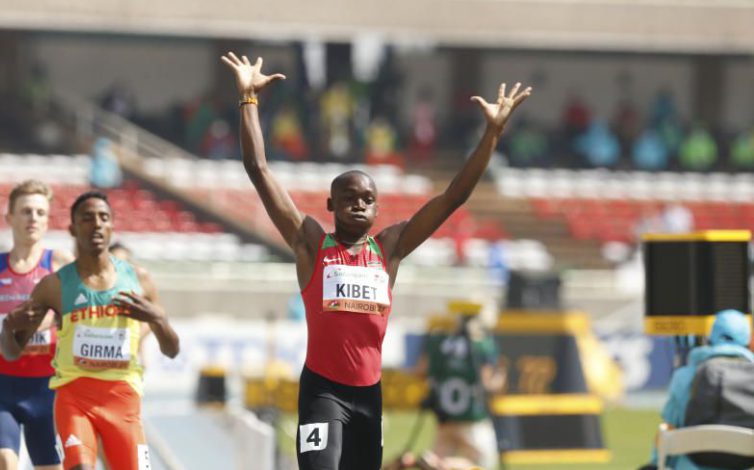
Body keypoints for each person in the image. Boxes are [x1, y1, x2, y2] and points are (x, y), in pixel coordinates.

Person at [221, 52, 531, 470]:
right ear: (331, 204)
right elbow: (258, 169)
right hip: (323, 394)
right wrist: (248, 101)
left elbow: (453, 196)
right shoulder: (311, 243)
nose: (359, 205)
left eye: (368, 199)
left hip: (369, 397)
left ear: (377, 208)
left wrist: (491, 134)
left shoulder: (389, 249)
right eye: (348, 198)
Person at [0, 191, 180, 470]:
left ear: (111, 227)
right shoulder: (54, 285)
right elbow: (12, 352)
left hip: (123, 400)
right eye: (87, 218)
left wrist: (158, 319)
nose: (96, 224)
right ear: (72, 228)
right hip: (75, 399)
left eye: (103, 218)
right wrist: (9, 327)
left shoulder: (139, 279)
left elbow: (171, 349)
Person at [0, 180, 74, 470]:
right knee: (4, 464)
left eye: (39, 212)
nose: (32, 218)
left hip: (47, 391)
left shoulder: (59, 263)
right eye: (25, 211)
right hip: (2, 388)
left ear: (47, 220)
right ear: (10, 217)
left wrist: (44, 322)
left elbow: (79, 317)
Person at [644, 309, 754, 470]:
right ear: (748, 340)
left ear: (711, 337)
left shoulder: (684, 376)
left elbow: (670, 425)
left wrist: (655, 464)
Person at [418, 308, 504, 470]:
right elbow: (488, 384)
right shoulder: (482, 345)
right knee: (482, 466)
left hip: (444, 418)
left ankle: (438, 462)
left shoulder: (439, 343)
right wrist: (500, 376)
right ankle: (445, 464)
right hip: (472, 420)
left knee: (440, 457)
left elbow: (421, 371)